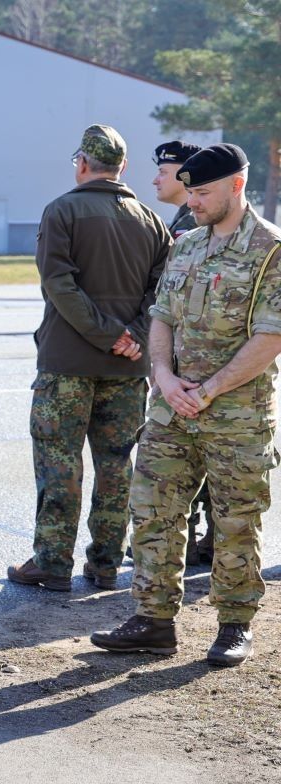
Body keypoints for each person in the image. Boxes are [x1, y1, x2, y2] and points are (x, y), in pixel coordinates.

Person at [92, 144, 281, 667]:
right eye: (190, 191)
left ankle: (235, 624)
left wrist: (209, 389)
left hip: (237, 417)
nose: (192, 201)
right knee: (152, 509)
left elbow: (270, 336)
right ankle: (153, 621)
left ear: (236, 186)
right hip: (171, 408)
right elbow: (162, 316)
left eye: (202, 193)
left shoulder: (270, 249)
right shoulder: (187, 244)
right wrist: (162, 375)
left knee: (236, 520)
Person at [7, 124, 171, 592]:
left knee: (60, 463)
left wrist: (108, 334)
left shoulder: (62, 210)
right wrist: (133, 335)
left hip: (69, 364)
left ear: (82, 163)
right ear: (123, 167)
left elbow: (59, 284)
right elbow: (162, 292)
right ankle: (105, 563)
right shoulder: (151, 221)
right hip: (127, 367)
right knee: (117, 465)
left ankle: (52, 561)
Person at [153, 140, 218, 566]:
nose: (157, 179)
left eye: (165, 170)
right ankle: (200, 537)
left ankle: (203, 538)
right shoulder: (180, 223)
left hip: (197, 363)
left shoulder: (191, 227)